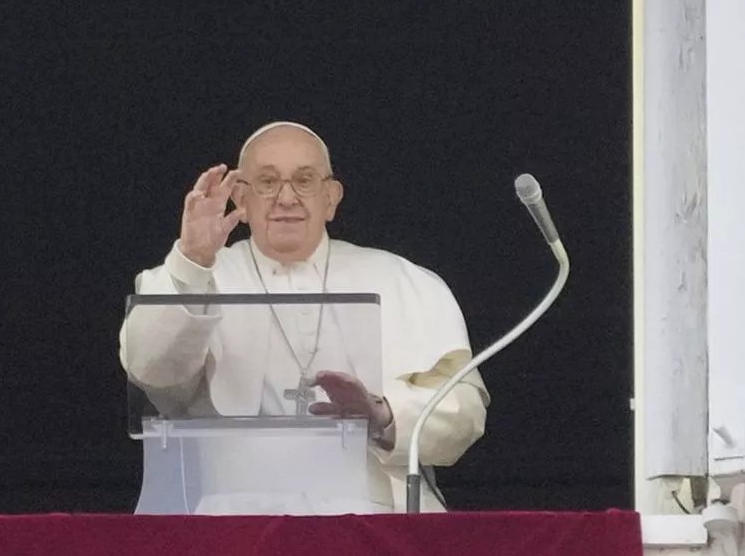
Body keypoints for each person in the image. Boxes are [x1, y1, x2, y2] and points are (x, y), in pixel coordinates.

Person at [118, 121, 489, 513]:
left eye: (305, 180)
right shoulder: (191, 276)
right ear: (240, 198)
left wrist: (383, 413)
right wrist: (193, 261)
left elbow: (464, 412)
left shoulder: (404, 280)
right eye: (267, 182)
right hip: (231, 524)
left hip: (377, 520)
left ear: (331, 198)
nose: (286, 198)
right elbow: (152, 372)